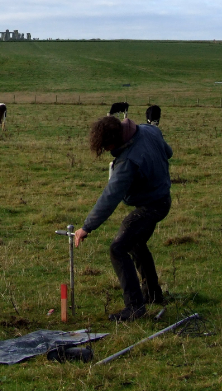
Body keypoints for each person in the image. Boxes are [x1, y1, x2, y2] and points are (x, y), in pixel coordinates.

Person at [74, 115, 173, 321]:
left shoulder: (128, 160)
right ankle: (153, 294)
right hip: (162, 196)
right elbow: (169, 152)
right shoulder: (148, 129)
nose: (107, 151)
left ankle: (135, 307)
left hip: (152, 205)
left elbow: (110, 196)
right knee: (135, 242)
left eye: (107, 146)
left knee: (118, 248)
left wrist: (86, 227)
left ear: (115, 140)